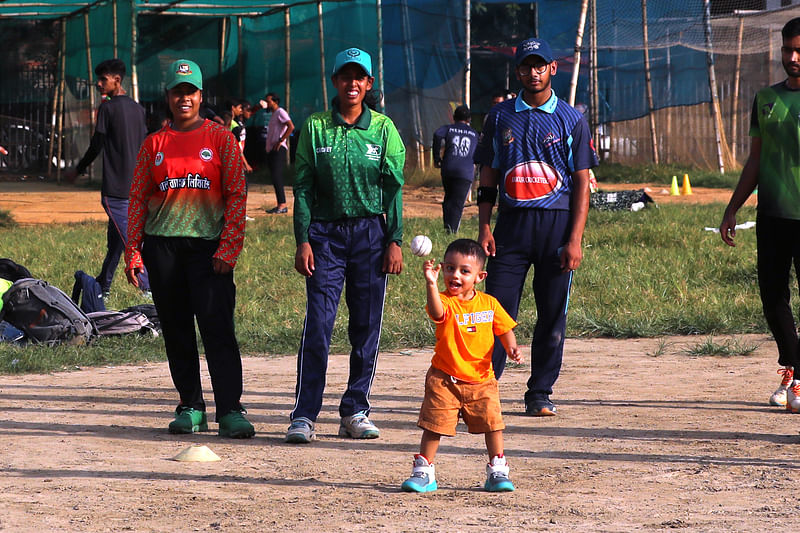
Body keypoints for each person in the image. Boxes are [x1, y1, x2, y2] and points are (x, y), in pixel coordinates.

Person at [124, 59, 254, 438]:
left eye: (190, 91)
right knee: (177, 330)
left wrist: (228, 250)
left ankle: (230, 408)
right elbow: (137, 199)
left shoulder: (220, 139)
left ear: (200, 96)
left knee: (218, 329)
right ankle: (191, 405)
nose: (184, 98)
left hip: (208, 250)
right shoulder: (154, 144)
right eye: (177, 92)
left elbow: (236, 195)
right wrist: (133, 250)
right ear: (169, 97)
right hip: (162, 249)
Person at [286, 47, 405, 444]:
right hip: (325, 237)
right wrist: (303, 239)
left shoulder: (384, 129)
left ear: (369, 84)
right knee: (319, 324)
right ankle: (304, 415)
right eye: (345, 76)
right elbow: (301, 188)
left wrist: (395, 240)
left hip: (371, 236)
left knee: (366, 326)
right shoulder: (315, 127)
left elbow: (393, 191)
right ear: (334, 81)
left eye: (360, 77)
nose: (352, 83)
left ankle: (355, 409)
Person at [475, 37, 598, 417]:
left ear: (552, 69)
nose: (533, 73)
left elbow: (581, 182)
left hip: (557, 227)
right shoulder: (499, 116)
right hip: (510, 226)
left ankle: (540, 392)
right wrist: (484, 225)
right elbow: (489, 172)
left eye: (539, 65)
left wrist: (574, 239)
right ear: (517, 71)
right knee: (494, 311)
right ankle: (484, 390)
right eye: (526, 66)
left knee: (551, 314)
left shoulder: (572, 118)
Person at [720, 17, 800, 412]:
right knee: (772, 296)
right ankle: (794, 366)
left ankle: (798, 378)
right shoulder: (766, 98)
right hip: (772, 214)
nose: (793, 57)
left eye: (799, 49)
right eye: (787, 49)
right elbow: (755, 160)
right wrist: (732, 207)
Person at [401, 239, 521, 493]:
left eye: (464, 271)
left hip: (482, 381)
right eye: (449, 268)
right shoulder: (445, 300)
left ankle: (497, 469)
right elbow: (436, 313)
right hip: (444, 379)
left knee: (493, 425)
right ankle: (424, 471)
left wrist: (511, 347)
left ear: (480, 276)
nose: (455, 275)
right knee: (434, 426)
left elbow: (504, 328)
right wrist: (431, 285)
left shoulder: (489, 303)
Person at [65, 58, 150, 298]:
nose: (99, 84)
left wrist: (79, 168)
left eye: (103, 79)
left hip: (116, 190)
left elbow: (97, 144)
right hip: (137, 187)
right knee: (117, 240)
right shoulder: (138, 109)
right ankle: (103, 284)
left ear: (117, 80)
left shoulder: (108, 108)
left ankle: (149, 288)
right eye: (98, 80)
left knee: (130, 239)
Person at [432, 105, 478, 233]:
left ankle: (447, 226)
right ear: (469, 119)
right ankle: (452, 232)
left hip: (448, 168)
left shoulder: (449, 129)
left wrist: (436, 158)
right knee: (457, 203)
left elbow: (437, 134)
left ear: (454, 118)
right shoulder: (474, 133)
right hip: (465, 172)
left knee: (449, 199)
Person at [263, 92, 295, 214]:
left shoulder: (280, 112)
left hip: (278, 148)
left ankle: (282, 205)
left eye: (269, 101)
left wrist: (281, 140)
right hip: (272, 149)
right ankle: (280, 204)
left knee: (277, 176)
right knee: (274, 177)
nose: (267, 103)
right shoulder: (273, 114)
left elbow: (291, 126)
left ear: (275, 102)